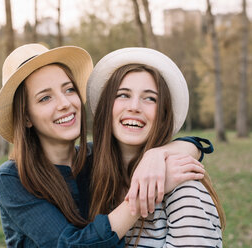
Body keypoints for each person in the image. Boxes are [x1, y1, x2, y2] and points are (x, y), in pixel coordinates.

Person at [0, 43, 211, 247]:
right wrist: (145, 195)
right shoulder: (13, 178)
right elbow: (71, 244)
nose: (65, 104)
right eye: (45, 98)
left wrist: (156, 156)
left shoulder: (95, 158)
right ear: (26, 117)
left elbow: (195, 146)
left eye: (69, 90)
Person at [86, 47, 225, 247]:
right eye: (123, 95)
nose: (134, 107)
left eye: (150, 98)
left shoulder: (184, 189)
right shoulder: (90, 177)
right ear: (106, 107)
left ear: (162, 116)